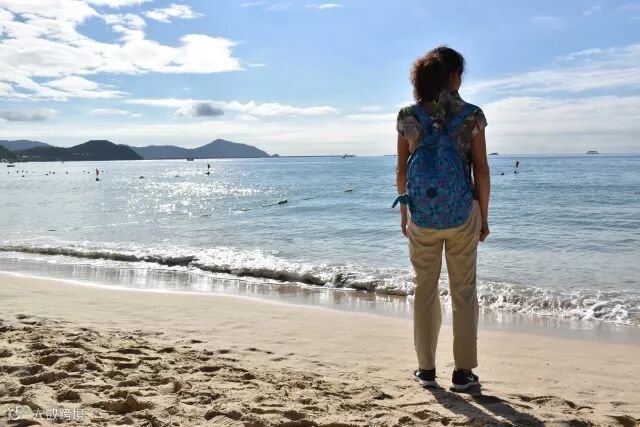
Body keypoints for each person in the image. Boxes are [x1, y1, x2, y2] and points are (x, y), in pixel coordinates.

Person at [395, 46, 491, 391]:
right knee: (463, 291)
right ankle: (463, 373)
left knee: (425, 288)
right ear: (453, 76)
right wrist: (483, 217)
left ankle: (426, 369)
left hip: (422, 215)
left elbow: (401, 171)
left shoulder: (407, 116)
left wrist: (405, 213)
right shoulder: (471, 115)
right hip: (462, 213)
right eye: (460, 73)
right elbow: (481, 170)